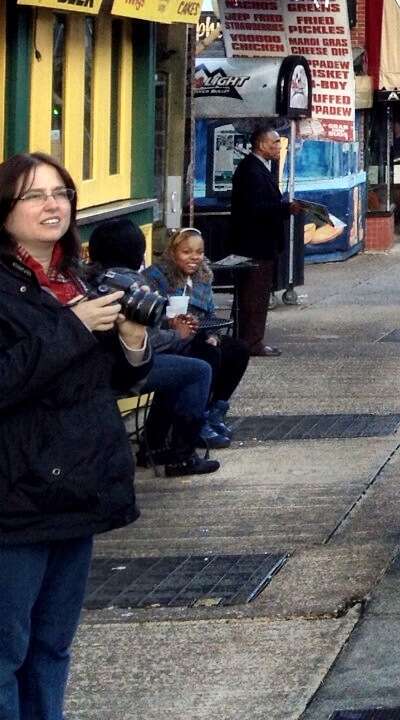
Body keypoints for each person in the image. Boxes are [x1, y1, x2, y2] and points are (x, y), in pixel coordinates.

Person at [1, 153, 158, 719]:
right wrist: (73, 326)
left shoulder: (80, 280)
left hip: (79, 487)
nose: (53, 205)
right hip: (16, 496)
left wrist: (134, 338)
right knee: (6, 653)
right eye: (34, 196)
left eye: (61, 193)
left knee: (52, 648)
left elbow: (116, 378)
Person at [83, 220, 219, 477]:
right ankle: (182, 456)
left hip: (95, 365)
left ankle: (155, 445)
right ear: (137, 252)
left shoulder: (89, 278)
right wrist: (177, 334)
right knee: (198, 370)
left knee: (180, 367)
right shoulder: (131, 284)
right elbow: (144, 340)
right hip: (121, 369)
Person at [142, 228, 252, 445]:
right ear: (173, 252)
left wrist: (213, 334)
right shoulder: (157, 277)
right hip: (170, 337)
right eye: (186, 252)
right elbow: (152, 318)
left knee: (238, 350)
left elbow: (210, 313)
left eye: (199, 252)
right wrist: (173, 323)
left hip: (198, 333)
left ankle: (215, 411)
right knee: (207, 355)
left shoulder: (203, 277)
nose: (194, 257)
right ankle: (195, 420)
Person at [227, 123, 302, 357]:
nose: (278, 147)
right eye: (274, 142)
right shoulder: (251, 170)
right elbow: (255, 208)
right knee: (253, 296)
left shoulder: (259, 168)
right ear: (261, 145)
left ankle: (247, 339)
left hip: (261, 243)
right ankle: (251, 342)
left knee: (254, 294)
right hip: (255, 245)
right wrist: (285, 208)